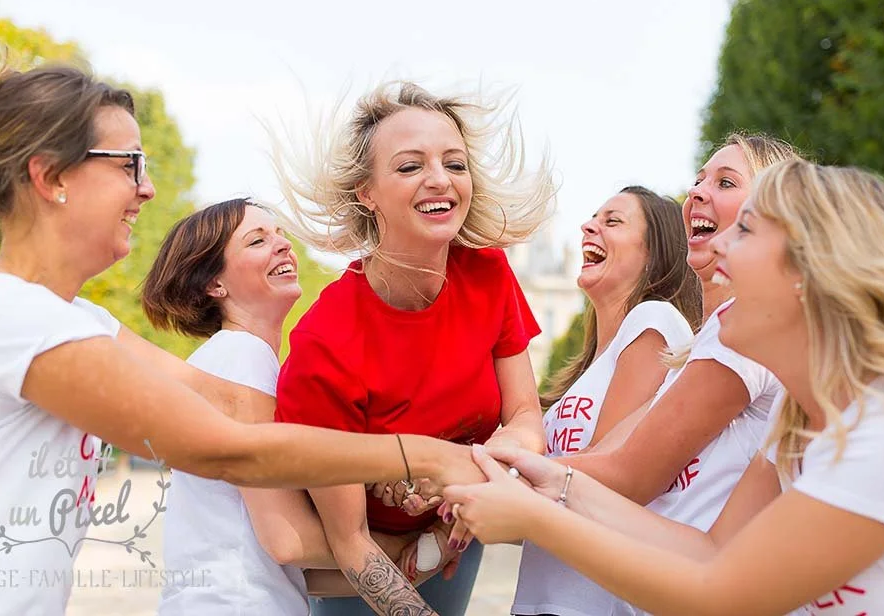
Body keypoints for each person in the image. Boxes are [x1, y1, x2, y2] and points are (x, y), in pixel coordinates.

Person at [0, 51, 482, 616]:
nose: (148, 188)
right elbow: (227, 449)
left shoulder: (73, 317)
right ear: (52, 177)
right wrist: (421, 457)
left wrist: (382, 465)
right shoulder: (9, 319)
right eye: (129, 163)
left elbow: (238, 406)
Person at [447, 160, 884, 616]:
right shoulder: (799, 418)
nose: (721, 244)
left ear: (813, 271)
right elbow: (710, 552)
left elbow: (719, 596)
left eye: (748, 229)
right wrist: (560, 483)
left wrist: (534, 514)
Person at [272, 81, 556, 615]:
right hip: (366, 568)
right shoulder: (324, 341)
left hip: (459, 537)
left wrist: (467, 476)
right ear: (367, 192)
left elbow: (523, 415)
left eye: (455, 163)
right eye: (409, 167)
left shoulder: (490, 273)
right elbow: (350, 541)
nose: (439, 180)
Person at [498, 134, 799, 616]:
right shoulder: (701, 345)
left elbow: (626, 475)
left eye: (724, 181)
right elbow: (701, 545)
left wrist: (484, 472)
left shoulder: (738, 327)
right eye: (698, 179)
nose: (696, 191)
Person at [144, 199, 443, 614]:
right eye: (257, 240)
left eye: (280, 233)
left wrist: (407, 555)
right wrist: (397, 543)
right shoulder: (240, 359)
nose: (282, 245)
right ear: (215, 285)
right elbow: (286, 540)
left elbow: (290, 569)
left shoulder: (238, 361)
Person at [510, 185, 700, 613]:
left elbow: (611, 472)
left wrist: (477, 474)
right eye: (594, 217)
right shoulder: (589, 369)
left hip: (597, 601)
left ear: (654, 254)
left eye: (612, 221)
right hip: (547, 597)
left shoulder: (655, 320)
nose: (588, 226)